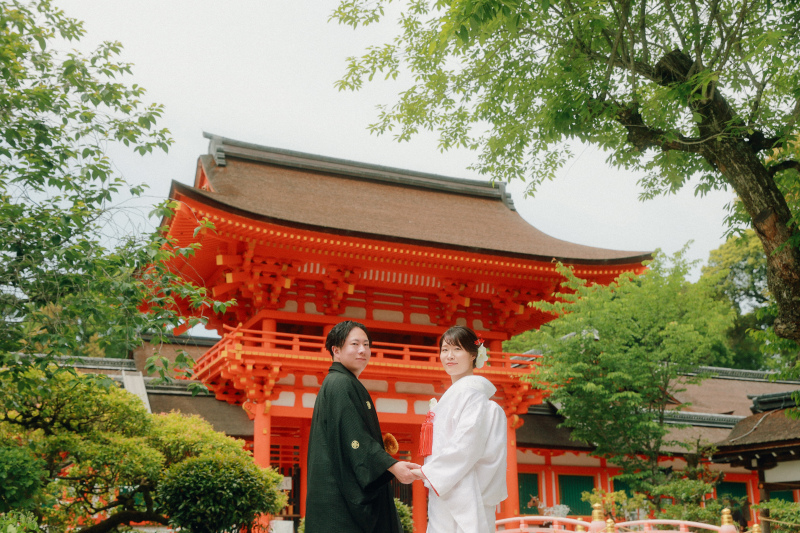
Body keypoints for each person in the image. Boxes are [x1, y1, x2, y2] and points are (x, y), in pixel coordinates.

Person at [305, 320, 419, 533]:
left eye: (366, 345)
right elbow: (355, 437)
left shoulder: (342, 382)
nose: (362, 350)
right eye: (355, 344)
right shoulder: (340, 383)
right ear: (336, 350)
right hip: (339, 502)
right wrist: (392, 466)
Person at [413, 325, 508, 533]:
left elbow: (467, 445)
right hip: (447, 489)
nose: (449, 356)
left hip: (464, 493)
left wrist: (426, 472)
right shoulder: (458, 394)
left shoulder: (472, 395)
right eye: (444, 350)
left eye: (457, 349)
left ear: (473, 354)